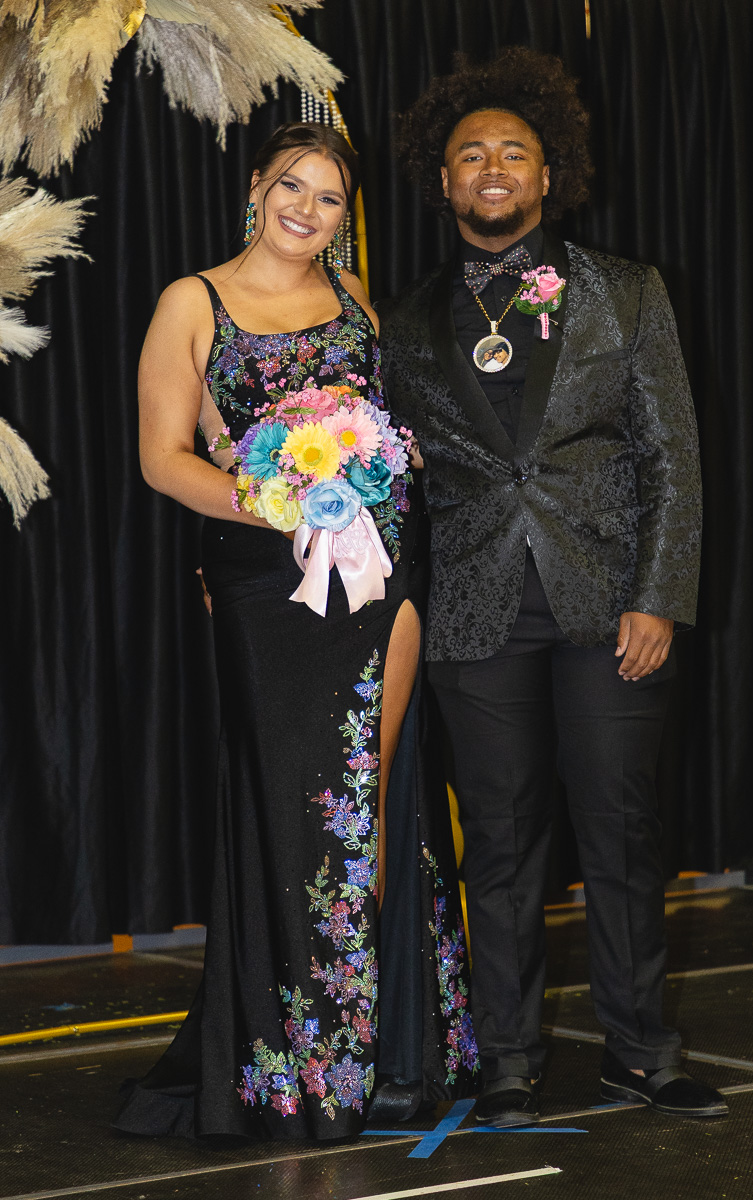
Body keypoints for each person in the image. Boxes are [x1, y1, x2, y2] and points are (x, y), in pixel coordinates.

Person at [379, 48, 728, 1127]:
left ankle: (641, 1052)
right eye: (469, 154)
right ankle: (508, 1061)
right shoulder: (404, 320)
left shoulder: (625, 290)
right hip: (472, 616)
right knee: (499, 841)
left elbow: (671, 454)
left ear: (548, 172)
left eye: (513, 152)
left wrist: (659, 595)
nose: (491, 168)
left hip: (610, 609)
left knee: (621, 831)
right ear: (441, 180)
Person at [113, 122, 478, 1143]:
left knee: (369, 794)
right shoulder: (193, 301)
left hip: (380, 570)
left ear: (342, 217)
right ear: (255, 188)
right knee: (288, 807)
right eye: (291, 187)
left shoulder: (355, 298)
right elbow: (163, 458)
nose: (305, 210)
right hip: (264, 577)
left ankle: (385, 1051)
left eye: (327, 198)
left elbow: (392, 429)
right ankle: (297, 1058)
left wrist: (375, 473)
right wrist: (274, 503)